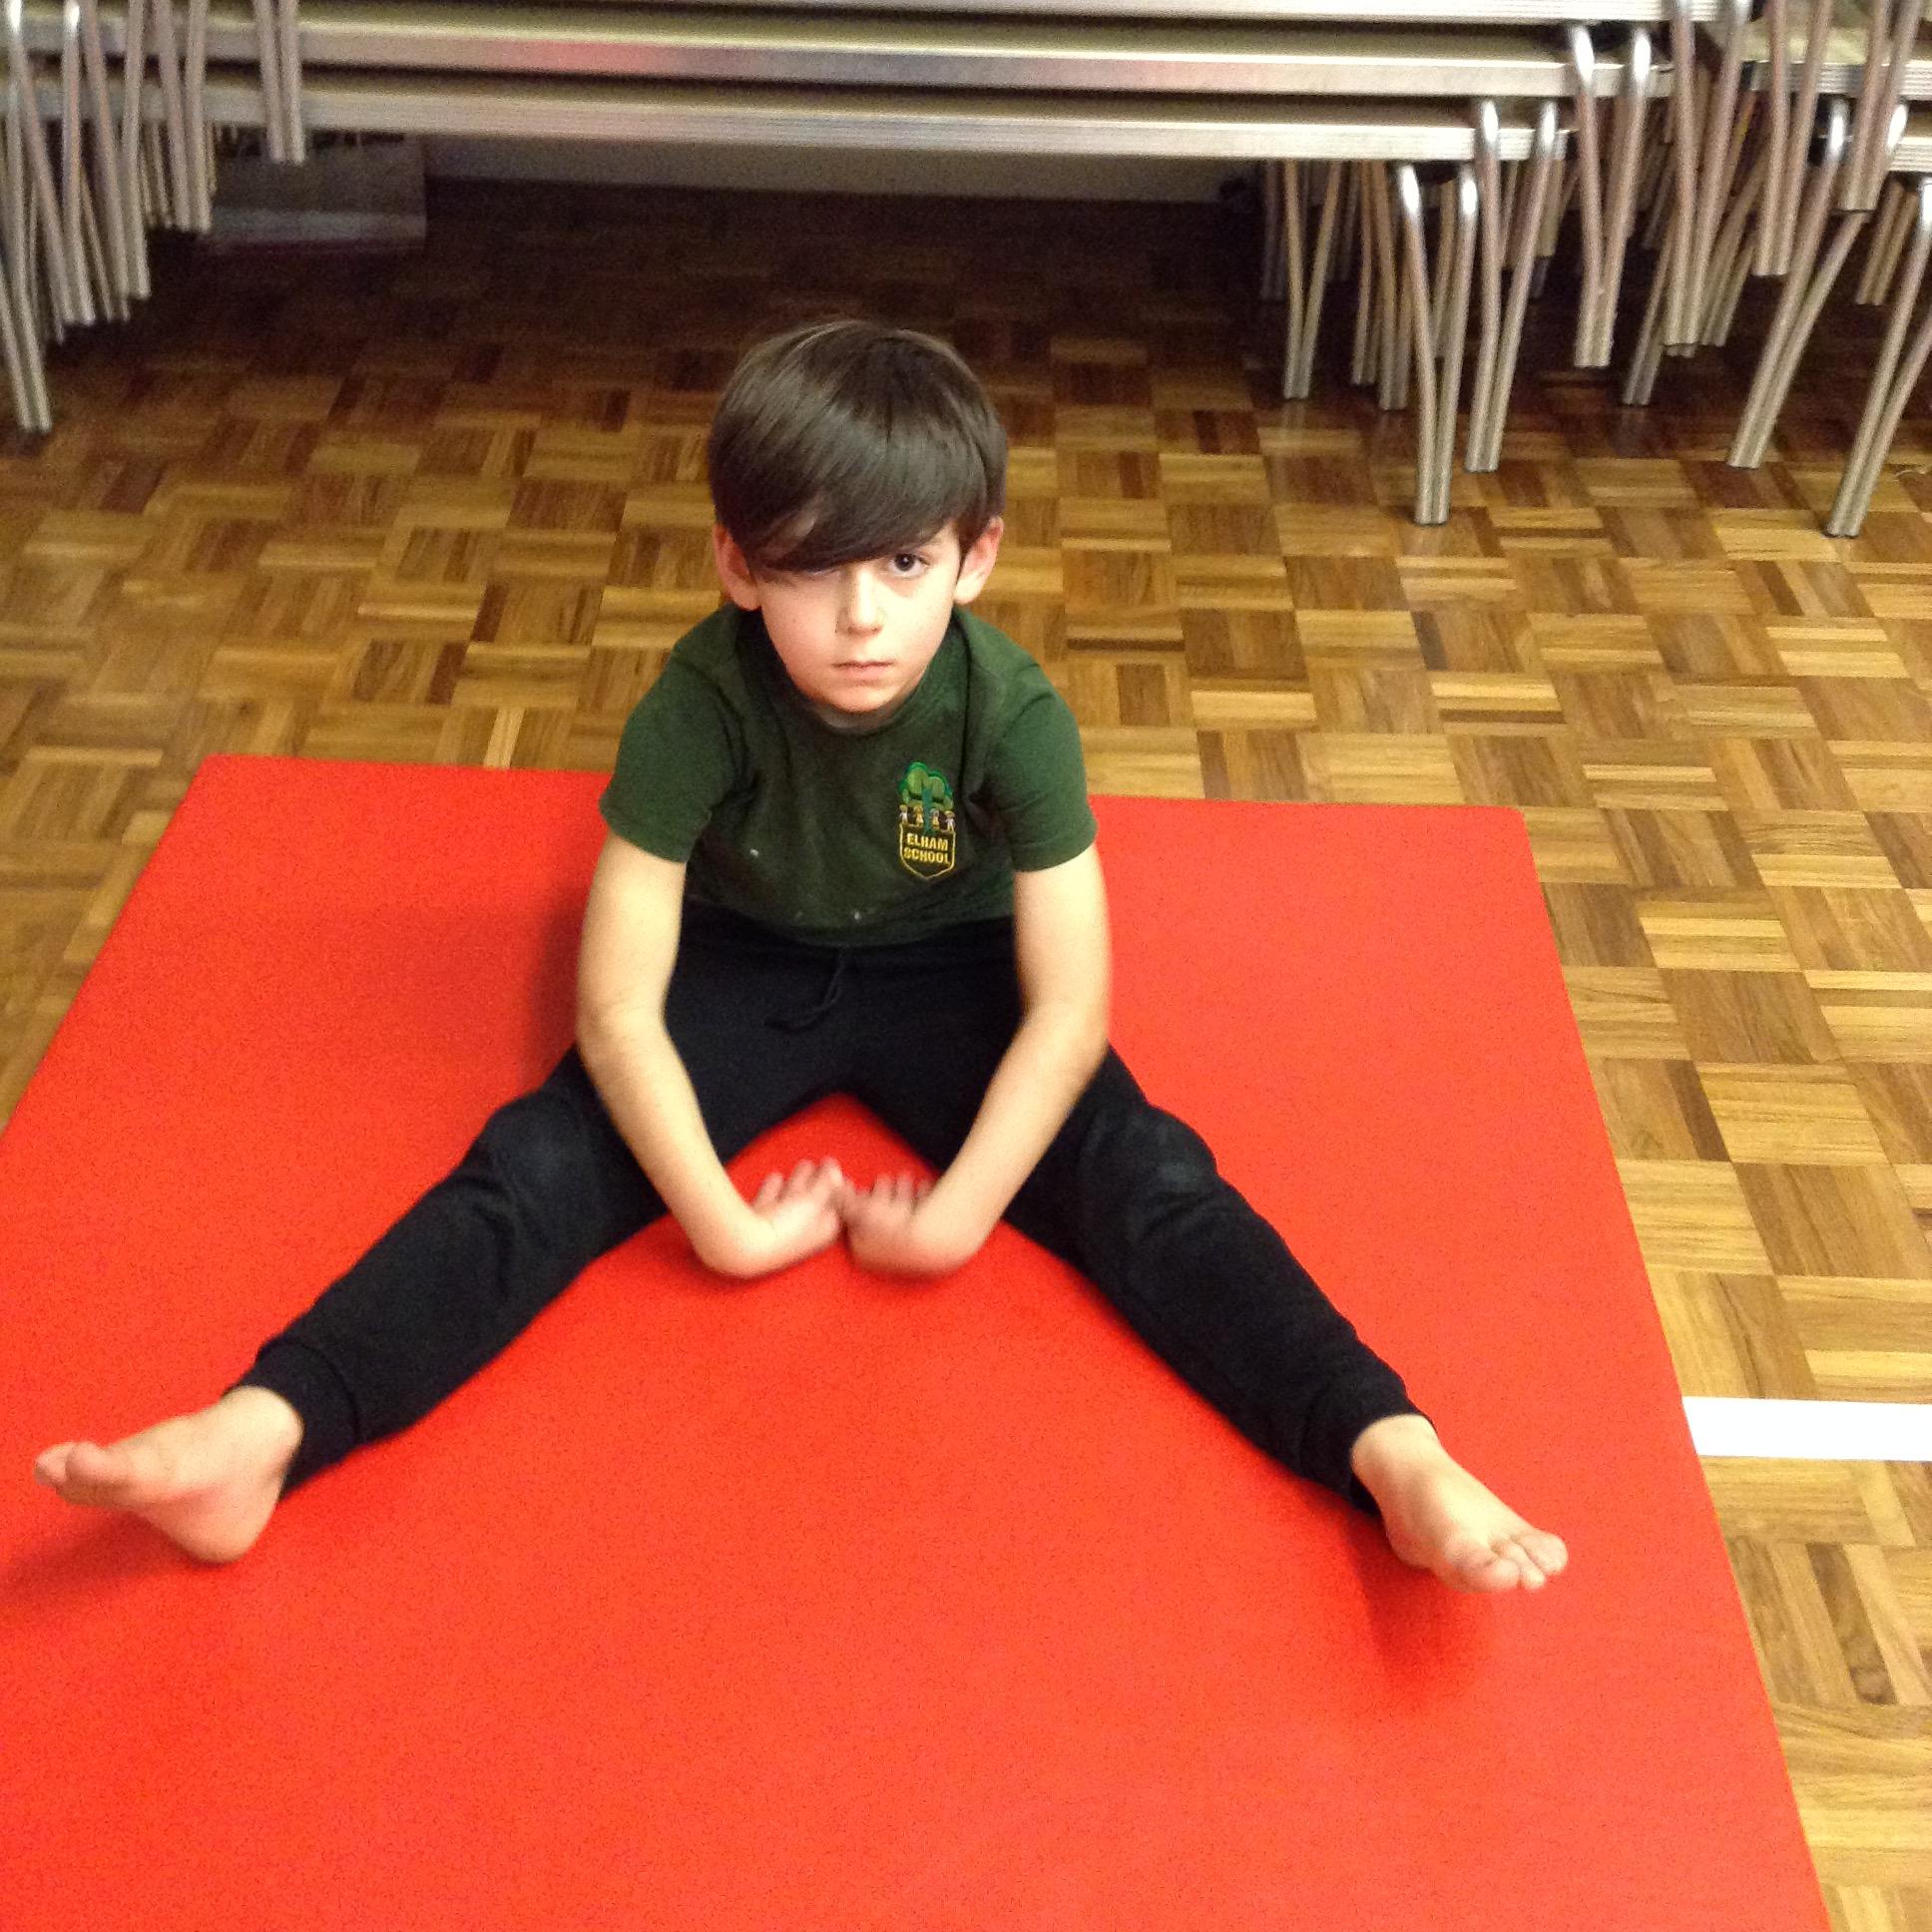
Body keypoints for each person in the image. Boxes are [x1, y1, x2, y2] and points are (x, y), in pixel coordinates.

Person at [33, 320, 1567, 1595]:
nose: (857, 619)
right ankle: (263, 1431)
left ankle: (1391, 1450)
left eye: (900, 566)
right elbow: (617, 1003)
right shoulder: (697, 705)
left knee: (1148, 1174)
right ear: (735, 563)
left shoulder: (1012, 713)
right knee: (537, 1163)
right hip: (743, 963)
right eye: (810, 569)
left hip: (950, 974)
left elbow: (1070, 1007)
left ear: (975, 559)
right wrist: (717, 1219)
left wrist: (960, 1213)